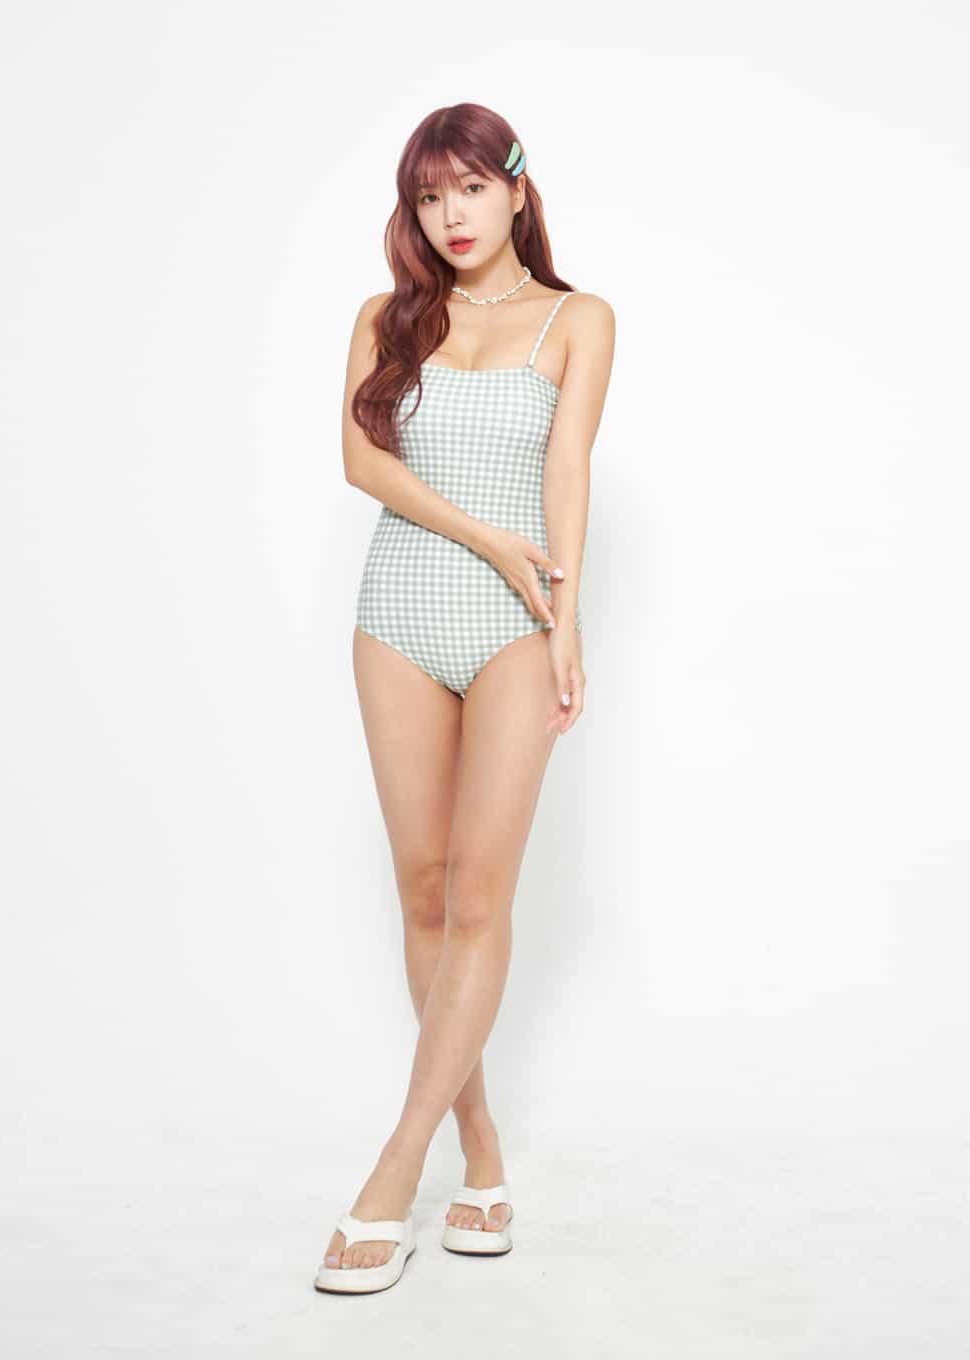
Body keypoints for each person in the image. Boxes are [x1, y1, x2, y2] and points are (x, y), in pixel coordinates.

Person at [316, 103, 614, 1294]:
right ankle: (479, 1147)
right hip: (398, 609)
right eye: (430, 195)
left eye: (472, 188)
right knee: (427, 890)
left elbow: (566, 468)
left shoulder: (576, 319)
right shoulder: (385, 318)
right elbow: (363, 463)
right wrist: (487, 537)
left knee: (482, 893)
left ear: (517, 191)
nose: (451, 214)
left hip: (513, 627)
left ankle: (397, 1168)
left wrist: (564, 621)